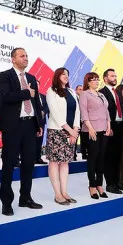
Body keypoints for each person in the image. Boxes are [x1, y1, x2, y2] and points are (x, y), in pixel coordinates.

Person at [0, 48, 45, 216]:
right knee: (9, 164)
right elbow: (6, 96)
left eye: (26, 55)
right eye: (22, 56)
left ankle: (25, 198)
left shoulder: (31, 78)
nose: (26, 58)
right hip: (13, 126)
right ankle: (6, 202)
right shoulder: (5, 76)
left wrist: (39, 124)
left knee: (28, 164)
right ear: (13, 59)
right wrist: (26, 93)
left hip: (30, 125)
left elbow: (36, 102)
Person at [45, 68, 80, 205]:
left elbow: (77, 112)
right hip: (56, 131)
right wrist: (69, 130)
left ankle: (64, 192)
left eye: (67, 74)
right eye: (63, 74)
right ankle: (57, 194)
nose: (66, 76)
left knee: (65, 162)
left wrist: (75, 129)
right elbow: (54, 113)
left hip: (71, 131)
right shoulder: (51, 91)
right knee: (54, 162)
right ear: (57, 76)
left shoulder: (71, 91)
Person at [80, 72, 111, 199]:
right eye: (94, 79)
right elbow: (83, 112)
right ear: (88, 82)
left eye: (98, 79)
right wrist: (90, 128)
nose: (97, 81)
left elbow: (106, 111)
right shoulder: (84, 94)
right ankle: (92, 185)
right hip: (91, 129)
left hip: (103, 128)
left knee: (101, 157)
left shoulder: (101, 95)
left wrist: (109, 125)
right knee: (93, 157)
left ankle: (99, 184)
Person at [98, 69, 123, 194]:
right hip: (110, 127)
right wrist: (107, 127)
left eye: (115, 75)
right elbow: (102, 112)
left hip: (120, 126)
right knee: (109, 156)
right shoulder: (101, 93)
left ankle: (117, 181)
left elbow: (122, 111)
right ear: (105, 78)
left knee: (117, 155)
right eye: (112, 76)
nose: (115, 77)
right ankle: (110, 184)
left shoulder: (117, 93)